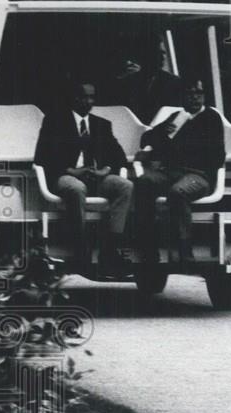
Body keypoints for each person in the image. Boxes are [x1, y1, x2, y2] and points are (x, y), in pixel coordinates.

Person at [34, 80, 132, 273]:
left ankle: (111, 249)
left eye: (91, 97)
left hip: (97, 177)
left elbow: (119, 157)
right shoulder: (55, 122)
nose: (88, 101)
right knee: (76, 188)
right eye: (83, 97)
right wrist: (71, 171)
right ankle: (81, 249)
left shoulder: (101, 125)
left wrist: (104, 170)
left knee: (125, 186)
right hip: (66, 175)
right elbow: (42, 157)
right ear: (73, 98)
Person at [133, 77, 225, 264]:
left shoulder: (211, 118)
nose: (194, 98)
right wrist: (162, 132)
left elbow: (217, 157)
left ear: (204, 96)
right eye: (190, 93)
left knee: (178, 192)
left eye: (198, 93)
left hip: (198, 175)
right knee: (144, 183)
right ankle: (149, 245)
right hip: (171, 172)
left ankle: (185, 249)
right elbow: (146, 139)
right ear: (183, 96)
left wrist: (177, 148)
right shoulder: (177, 117)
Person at [112, 41, 184, 124]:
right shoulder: (128, 81)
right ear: (146, 55)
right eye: (157, 53)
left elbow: (177, 112)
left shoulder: (175, 82)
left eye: (164, 53)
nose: (163, 57)